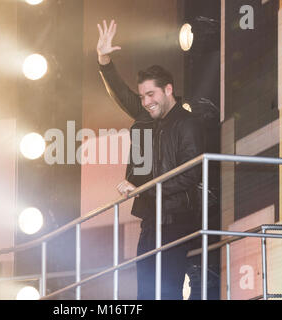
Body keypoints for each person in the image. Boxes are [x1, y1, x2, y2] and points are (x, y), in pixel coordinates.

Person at [97, 20, 204, 300]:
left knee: (167, 290)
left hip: (175, 220)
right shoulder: (147, 116)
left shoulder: (186, 123)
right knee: (145, 291)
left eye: (151, 94)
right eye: (143, 96)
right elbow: (121, 93)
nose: (145, 101)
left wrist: (144, 188)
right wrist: (104, 59)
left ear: (168, 90)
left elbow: (192, 174)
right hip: (150, 220)